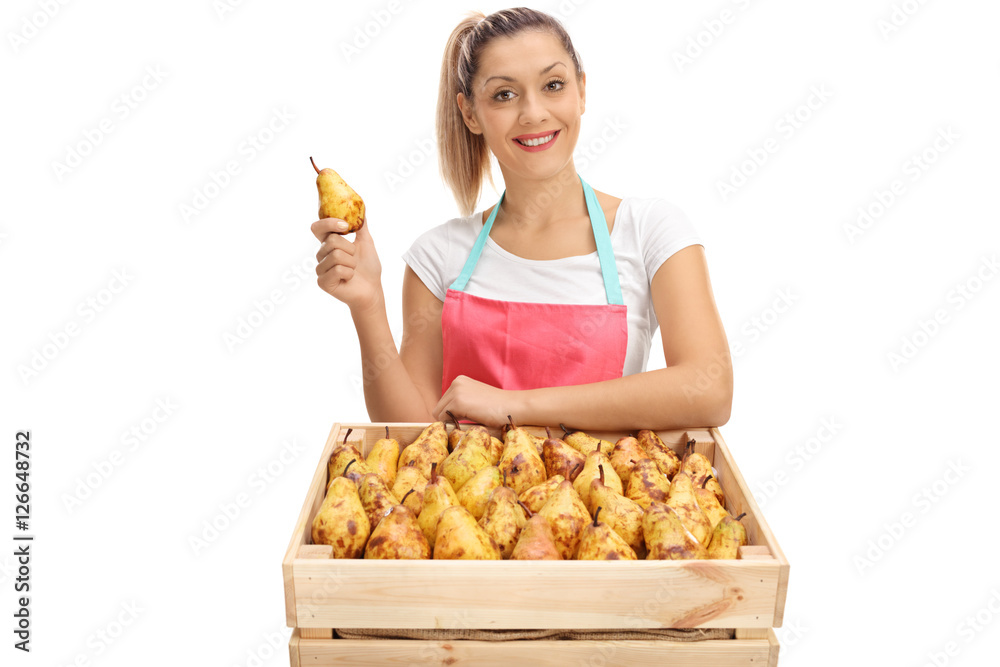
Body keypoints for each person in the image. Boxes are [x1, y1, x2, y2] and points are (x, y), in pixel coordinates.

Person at [311, 7, 732, 431]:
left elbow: (709, 390)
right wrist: (368, 307)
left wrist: (513, 405)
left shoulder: (649, 231)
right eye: (504, 95)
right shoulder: (438, 256)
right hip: (465, 497)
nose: (533, 113)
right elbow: (415, 436)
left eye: (553, 85)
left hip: (607, 494)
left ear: (581, 92)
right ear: (470, 113)